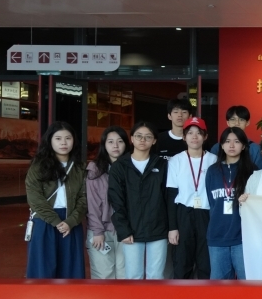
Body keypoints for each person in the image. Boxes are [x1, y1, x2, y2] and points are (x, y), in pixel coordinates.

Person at [25, 121, 87, 279]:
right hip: (44, 221)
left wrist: (71, 222)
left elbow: (84, 198)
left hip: (71, 222)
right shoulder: (38, 166)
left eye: (68, 138)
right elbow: (34, 197)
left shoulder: (80, 167)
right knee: (43, 271)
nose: (63, 143)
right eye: (58, 138)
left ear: (74, 141)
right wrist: (56, 221)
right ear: (50, 141)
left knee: (71, 271)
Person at [109, 121, 170, 280]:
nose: (143, 140)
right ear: (131, 139)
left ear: (154, 140)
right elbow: (116, 200)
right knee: (133, 276)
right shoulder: (120, 166)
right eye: (139, 136)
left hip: (158, 229)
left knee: (156, 276)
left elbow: (168, 198)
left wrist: (171, 228)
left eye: (148, 137)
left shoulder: (162, 165)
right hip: (131, 230)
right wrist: (123, 230)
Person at [166, 117, 216, 279]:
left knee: (206, 263)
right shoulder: (176, 161)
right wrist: (173, 227)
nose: (194, 137)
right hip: (183, 214)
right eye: (190, 133)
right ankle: (181, 295)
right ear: (184, 137)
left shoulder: (214, 160)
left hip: (207, 214)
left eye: (199, 133)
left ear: (205, 136)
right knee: (182, 263)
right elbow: (171, 195)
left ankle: (205, 295)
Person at [206, 127, 255, 280]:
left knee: (247, 285)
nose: (231, 145)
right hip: (217, 236)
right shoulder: (212, 171)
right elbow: (212, 203)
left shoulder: (253, 171)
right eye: (227, 141)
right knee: (219, 288)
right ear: (221, 145)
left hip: (243, 238)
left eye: (237, 141)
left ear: (244, 145)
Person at [86, 126, 129, 279]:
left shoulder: (131, 168)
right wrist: (97, 232)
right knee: (104, 276)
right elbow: (92, 204)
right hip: (102, 230)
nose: (115, 146)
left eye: (120, 141)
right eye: (110, 142)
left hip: (125, 230)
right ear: (104, 145)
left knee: (125, 276)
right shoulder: (95, 169)